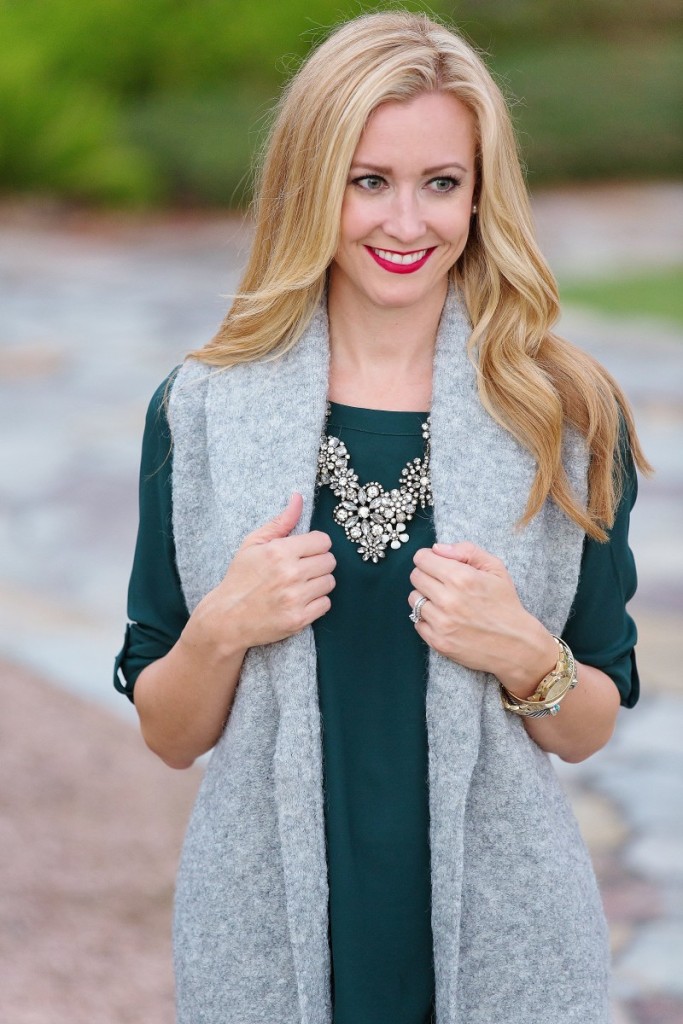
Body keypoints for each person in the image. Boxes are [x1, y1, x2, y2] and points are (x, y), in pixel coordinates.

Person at [114, 10, 650, 1024]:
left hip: (507, 941)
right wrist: (225, 623)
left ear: (481, 194)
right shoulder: (203, 408)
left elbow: (586, 725)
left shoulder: (565, 412)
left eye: (439, 183)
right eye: (368, 181)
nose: (406, 223)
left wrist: (522, 650)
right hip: (263, 934)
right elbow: (168, 731)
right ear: (310, 183)